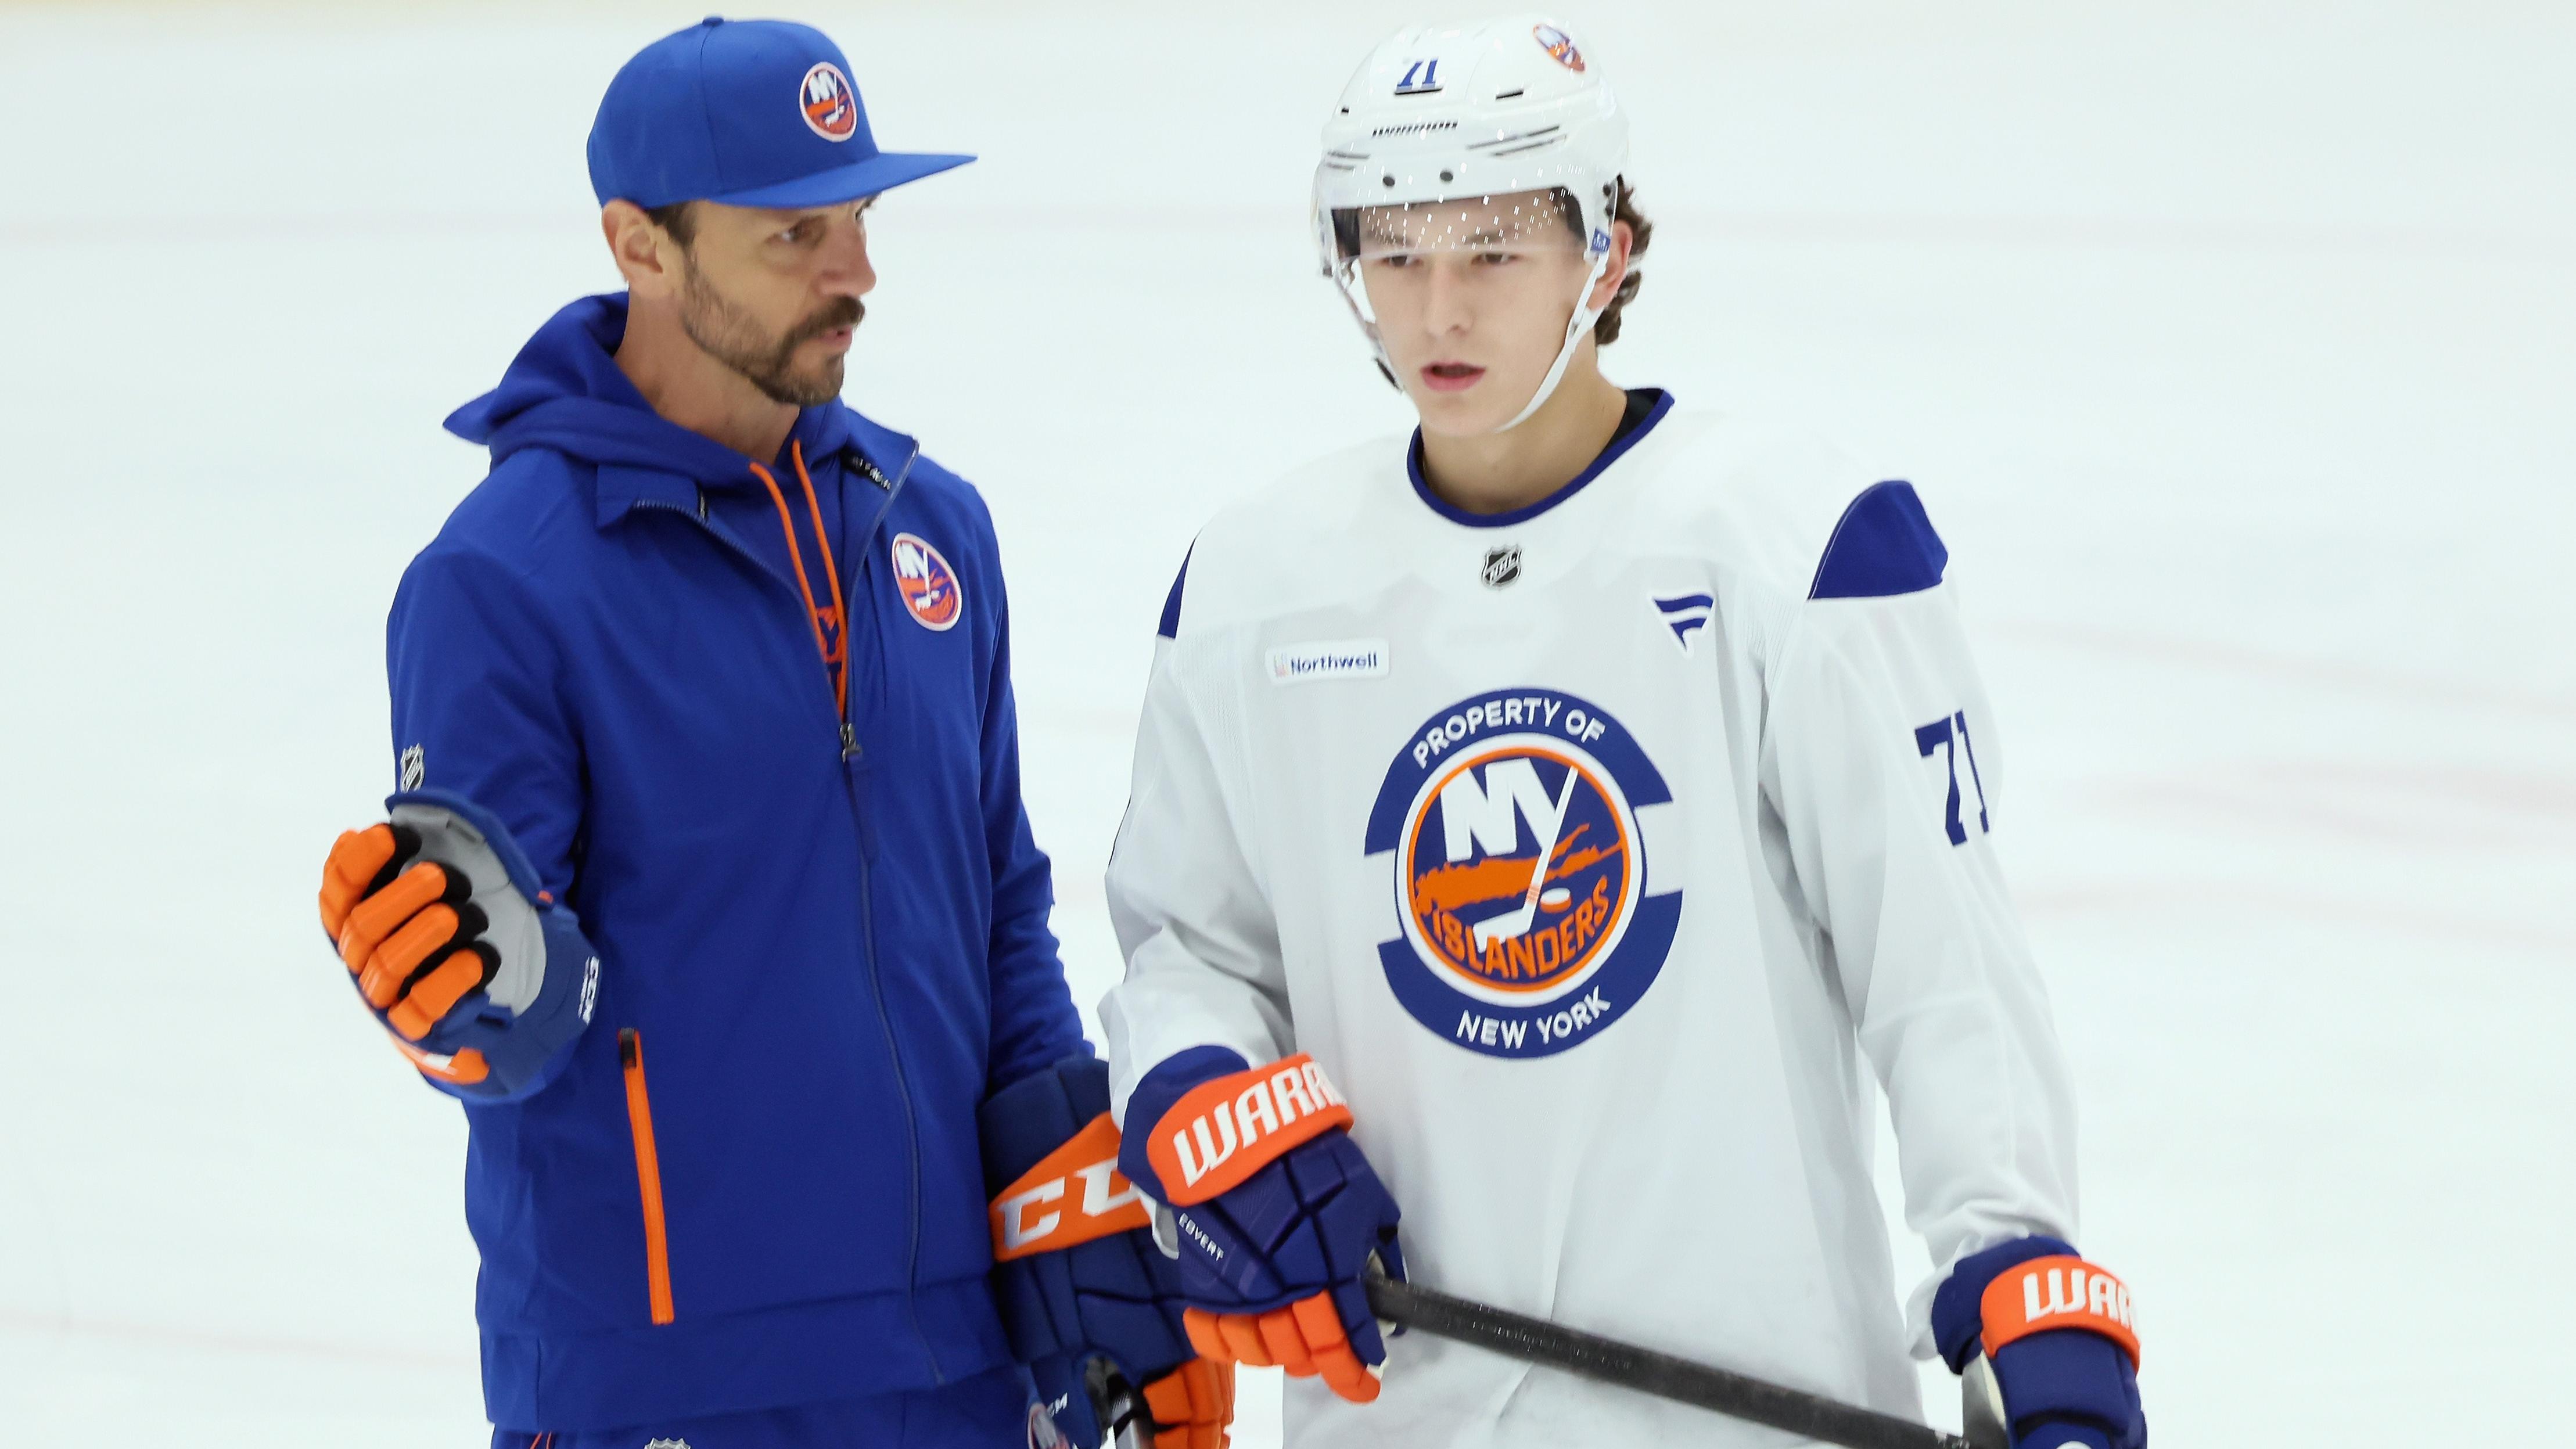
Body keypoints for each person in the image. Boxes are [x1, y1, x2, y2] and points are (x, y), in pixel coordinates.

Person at [1097, 15, 2147, 1449]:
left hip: (1752, 1413)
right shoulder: (1250, 588)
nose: (1435, 314)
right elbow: (1190, 950)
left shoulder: (1794, 548)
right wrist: (1204, 1095)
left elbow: (1942, 970)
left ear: (1611, 250)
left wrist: (2020, 1263)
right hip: (1398, 1417)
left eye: (1490, 253)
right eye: (1393, 256)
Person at [312, 18, 1226, 1449]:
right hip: (670, 1391)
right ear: (643, 246)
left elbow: (995, 916)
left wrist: (1081, 1247)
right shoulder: (502, 583)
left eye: (858, 216)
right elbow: (508, 1011)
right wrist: (460, 999)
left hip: (957, 1371)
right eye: (794, 232)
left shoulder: (934, 528)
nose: (856, 273)